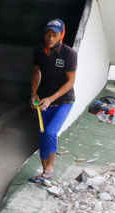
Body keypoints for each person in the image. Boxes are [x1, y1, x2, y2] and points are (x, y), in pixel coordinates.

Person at [29, 18, 77, 184]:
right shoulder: (39, 51)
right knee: (43, 135)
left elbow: (70, 82)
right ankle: (44, 174)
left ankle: (50, 167)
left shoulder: (69, 54)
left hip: (64, 101)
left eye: (54, 35)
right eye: (48, 34)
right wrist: (34, 93)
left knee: (50, 132)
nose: (50, 38)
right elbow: (37, 72)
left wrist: (51, 99)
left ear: (61, 35)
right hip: (43, 101)